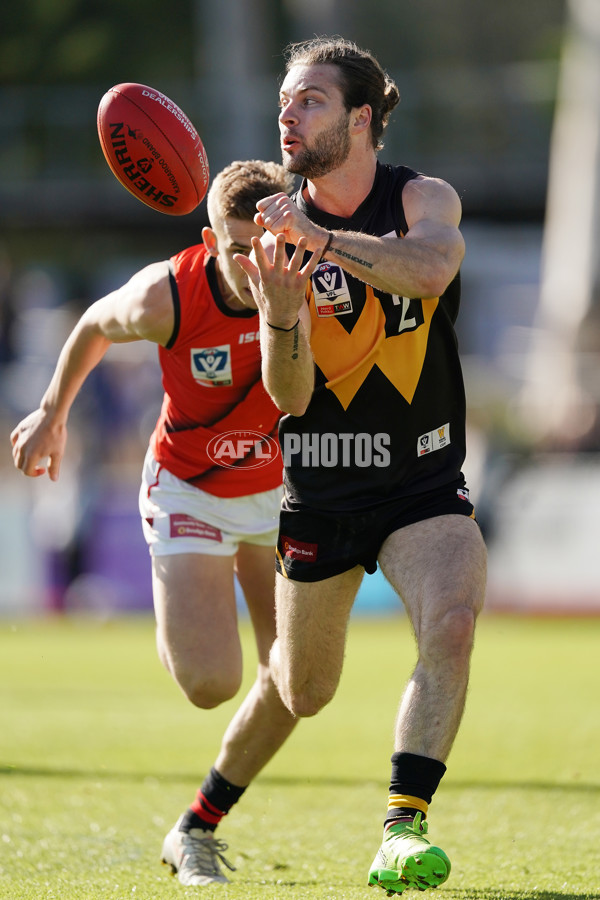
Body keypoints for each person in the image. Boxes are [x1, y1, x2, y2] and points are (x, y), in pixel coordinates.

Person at [235, 38, 488, 895]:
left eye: (308, 99)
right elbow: (293, 396)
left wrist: (324, 240)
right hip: (322, 485)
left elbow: (429, 271)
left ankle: (402, 825)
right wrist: (278, 314)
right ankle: (208, 802)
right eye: (285, 101)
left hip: (422, 479)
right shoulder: (275, 227)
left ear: (361, 119)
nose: (288, 114)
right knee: (304, 692)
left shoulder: (420, 196)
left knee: (451, 622)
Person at [10, 159, 299, 888]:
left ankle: (198, 825)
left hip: (281, 494)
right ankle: (181, 611)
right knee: (210, 683)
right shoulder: (165, 294)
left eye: (266, 245)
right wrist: (52, 413)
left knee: (297, 681)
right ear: (210, 240)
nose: (254, 266)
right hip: (191, 490)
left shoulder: (310, 284)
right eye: (237, 249)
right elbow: (91, 323)